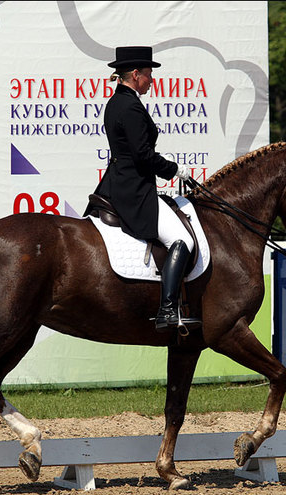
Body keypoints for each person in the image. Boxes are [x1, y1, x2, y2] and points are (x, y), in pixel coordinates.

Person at [86, 46, 201, 332]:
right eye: (149, 74)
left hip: (120, 182)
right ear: (135, 74)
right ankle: (167, 310)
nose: (152, 80)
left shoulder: (117, 103)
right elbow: (142, 156)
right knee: (182, 241)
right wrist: (174, 170)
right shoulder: (130, 106)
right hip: (133, 189)